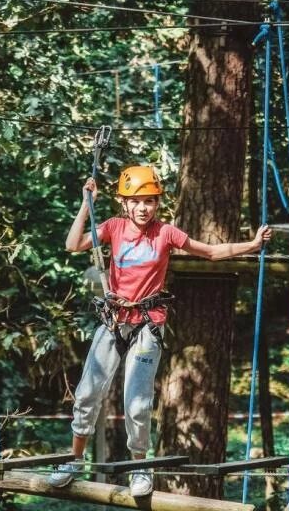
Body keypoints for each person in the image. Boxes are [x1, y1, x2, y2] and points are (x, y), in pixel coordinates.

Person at [48, 165, 273, 497]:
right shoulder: (113, 227)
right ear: (124, 203)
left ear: (157, 204)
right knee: (86, 394)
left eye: (150, 201)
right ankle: (73, 460)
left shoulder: (166, 233)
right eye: (137, 201)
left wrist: (251, 245)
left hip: (147, 327)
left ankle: (139, 468)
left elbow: (210, 252)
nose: (143, 208)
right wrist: (86, 203)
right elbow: (72, 244)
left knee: (137, 403)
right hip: (114, 322)